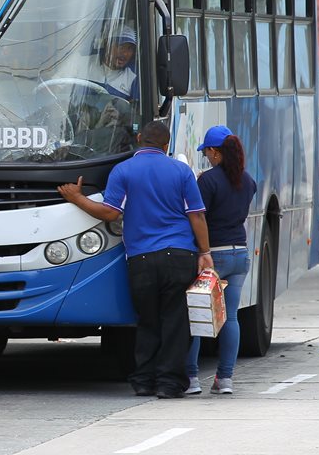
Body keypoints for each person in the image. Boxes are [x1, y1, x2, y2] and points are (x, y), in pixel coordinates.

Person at [58, 121, 212, 398]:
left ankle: (143, 381)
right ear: (166, 145)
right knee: (176, 322)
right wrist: (205, 253)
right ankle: (169, 384)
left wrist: (77, 198)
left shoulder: (123, 170)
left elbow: (110, 212)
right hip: (180, 255)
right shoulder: (181, 171)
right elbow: (197, 215)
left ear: (139, 138)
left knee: (147, 320)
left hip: (141, 257)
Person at [185, 125, 257, 396]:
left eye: (206, 152)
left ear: (215, 152)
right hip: (240, 254)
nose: (206, 157)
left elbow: (198, 216)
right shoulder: (248, 181)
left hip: (213, 256)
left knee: (197, 316)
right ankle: (224, 379)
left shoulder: (208, 181)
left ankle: (191, 378)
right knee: (231, 317)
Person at [87, 26, 139, 100]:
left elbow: (136, 105)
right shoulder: (86, 61)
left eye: (130, 49)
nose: (125, 53)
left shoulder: (134, 76)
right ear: (107, 44)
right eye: (121, 46)